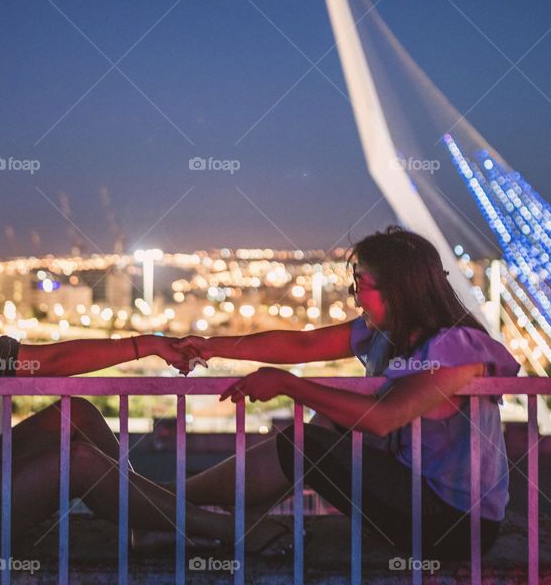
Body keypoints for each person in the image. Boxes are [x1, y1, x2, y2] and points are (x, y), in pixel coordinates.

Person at [0, 213, 287, 569]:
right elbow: (53, 364)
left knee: (73, 415)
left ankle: (153, 523)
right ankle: (230, 531)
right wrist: (145, 345)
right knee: (76, 463)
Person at [178, 226, 519, 559]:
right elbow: (304, 343)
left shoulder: (456, 348)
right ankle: (222, 521)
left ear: (397, 290)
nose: (354, 296)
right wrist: (210, 347)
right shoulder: (387, 335)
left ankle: (170, 501)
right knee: (329, 420)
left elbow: (385, 418)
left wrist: (288, 385)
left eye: (360, 284)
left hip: (454, 524)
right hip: (416, 497)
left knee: (300, 444)